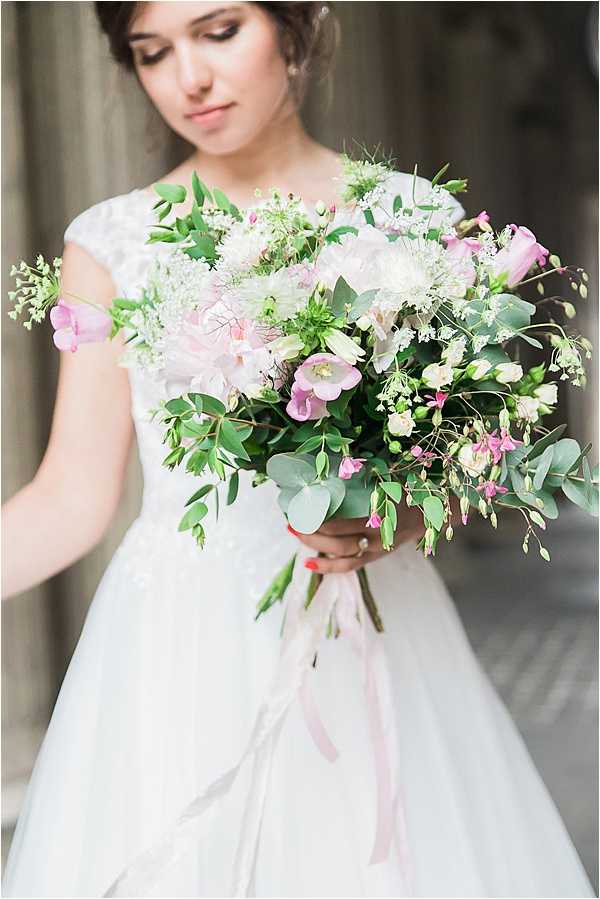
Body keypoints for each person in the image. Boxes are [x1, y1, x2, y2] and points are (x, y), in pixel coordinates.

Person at [1, 3, 594, 896]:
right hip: (178, 643)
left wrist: (399, 516)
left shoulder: (405, 217)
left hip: (367, 624)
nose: (188, 79)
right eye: (152, 53)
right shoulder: (112, 242)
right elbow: (72, 495)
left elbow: (475, 459)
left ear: (298, 25)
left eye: (219, 32)